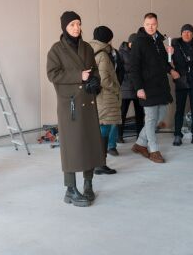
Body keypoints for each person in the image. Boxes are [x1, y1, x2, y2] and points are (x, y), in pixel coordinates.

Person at [47, 11, 104, 207]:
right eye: (72, 24)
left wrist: (95, 82)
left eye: (78, 23)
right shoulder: (56, 50)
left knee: (90, 143)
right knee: (71, 147)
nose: (76, 28)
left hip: (88, 101)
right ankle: (70, 189)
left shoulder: (87, 47)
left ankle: (88, 184)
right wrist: (79, 76)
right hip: (69, 105)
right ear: (64, 27)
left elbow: (94, 70)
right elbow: (52, 74)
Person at [129, 13, 178, 164]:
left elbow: (163, 62)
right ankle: (154, 150)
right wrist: (139, 88)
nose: (151, 27)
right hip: (146, 87)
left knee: (160, 115)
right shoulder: (138, 41)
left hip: (160, 86)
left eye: (153, 24)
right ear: (143, 24)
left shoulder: (158, 40)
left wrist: (171, 67)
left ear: (157, 24)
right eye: (148, 24)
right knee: (151, 119)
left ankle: (140, 143)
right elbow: (134, 67)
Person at [89, 26, 121, 173]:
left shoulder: (91, 50)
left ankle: (99, 163)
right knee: (104, 129)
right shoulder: (102, 54)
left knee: (102, 127)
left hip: (98, 96)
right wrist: (116, 88)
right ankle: (100, 164)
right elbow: (104, 79)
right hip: (105, 96)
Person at [118, 33, 145, 144]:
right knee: (122, 113)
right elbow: (119, 69)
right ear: (129, 42)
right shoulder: (121, 52)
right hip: (125, 86)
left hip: (138, 86)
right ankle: (119, 135)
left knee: (140, 113)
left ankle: (140, 135)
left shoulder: (140, 52)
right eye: (133, 43)